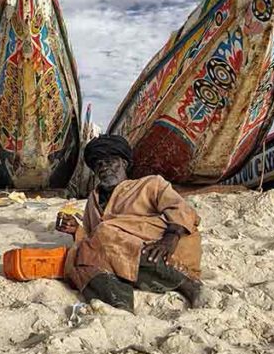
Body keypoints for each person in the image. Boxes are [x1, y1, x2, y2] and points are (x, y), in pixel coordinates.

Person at [60, 134, 202, 312]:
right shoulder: (93, 199)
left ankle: (188, 285)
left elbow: (182, 210)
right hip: (120, 257)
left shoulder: (150, 184)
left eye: (110, 161)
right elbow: (93, 240)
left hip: (164, 251)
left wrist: (169, 239)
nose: (104, 168)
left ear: (124, 163)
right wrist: (76, 230)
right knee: (77, 258)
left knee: (104, 231)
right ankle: (119, 303)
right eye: (99, 164)